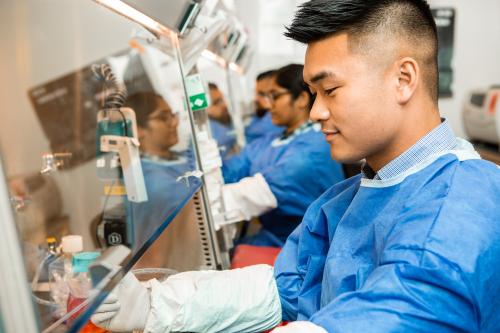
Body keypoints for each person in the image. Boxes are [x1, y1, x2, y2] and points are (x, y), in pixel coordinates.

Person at [92, 1, 500, 332]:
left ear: (404, 78)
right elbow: (287, 287)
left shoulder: (464, 204)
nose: (316, 111)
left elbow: (407, 311)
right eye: (311, 92)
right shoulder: (348, 197)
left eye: (331, 90)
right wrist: (153, 305)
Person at [222, 63, 345, 247]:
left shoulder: (314, 148)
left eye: (276, 96)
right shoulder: (273, 139)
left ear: (302, 99)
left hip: (304, 245)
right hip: (274, 238)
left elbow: (268, 188)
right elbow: (235, 167)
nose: (269, 105)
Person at [125, 92, 199, 250]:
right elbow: (191, 204)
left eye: (173, 115)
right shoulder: (151, 180)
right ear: (137, 129)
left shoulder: (178, 158)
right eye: (163, 118)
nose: (174, 123)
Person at [245, 70, 285, 143]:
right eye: (256, 93)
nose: (256, 99)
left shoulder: (277, 122)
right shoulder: (259, 116)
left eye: (262, 94)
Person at [207, 83, 237, 159]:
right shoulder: (211, 133)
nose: (225, 105)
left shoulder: (226, 123)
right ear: (205, 109)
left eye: (223, 99)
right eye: (217, 102)